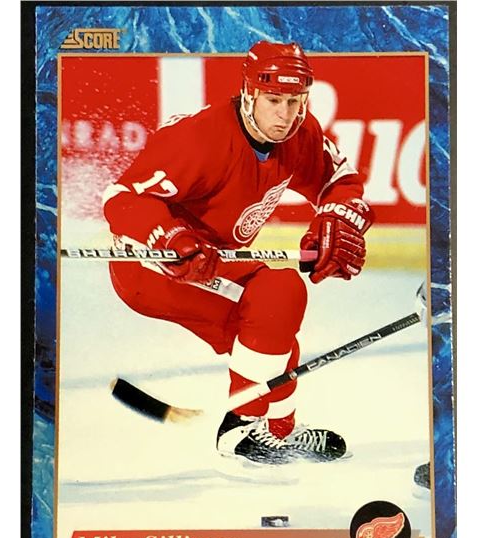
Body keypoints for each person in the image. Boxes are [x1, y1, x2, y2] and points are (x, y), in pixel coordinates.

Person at [102, 41, 374, 466]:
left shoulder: (300, 134)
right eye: (273, 100)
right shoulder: (199, 139)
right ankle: (242, 426)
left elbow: (339, 181)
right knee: (275, 298)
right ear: (249, 93)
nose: (285, 115)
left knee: (275, 319)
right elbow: (121, 199)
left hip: (219, 258)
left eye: (294, 101)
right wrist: (172, 237)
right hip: (152, 266)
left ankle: (278, 430)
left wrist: (338, 216)